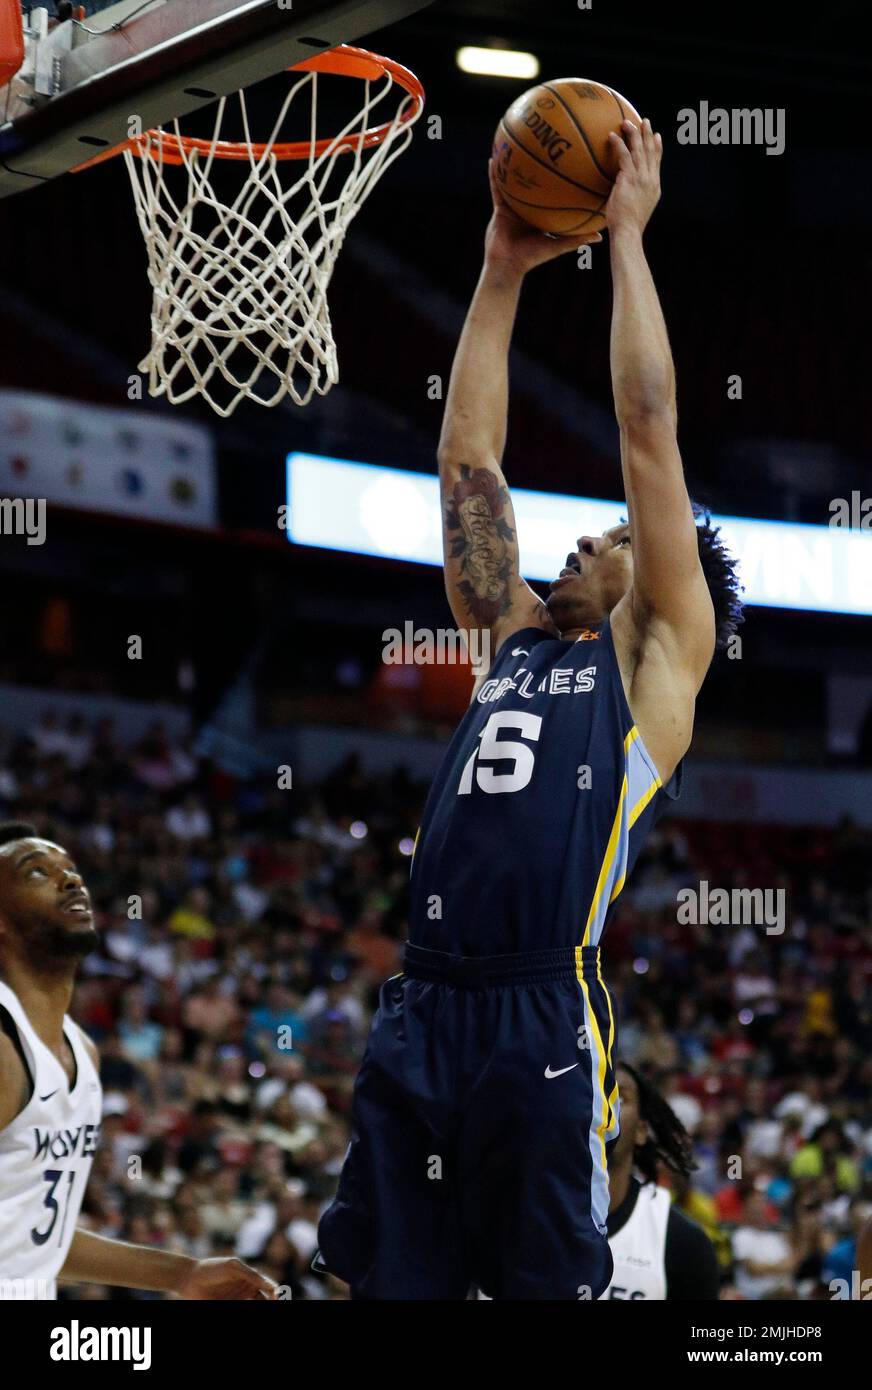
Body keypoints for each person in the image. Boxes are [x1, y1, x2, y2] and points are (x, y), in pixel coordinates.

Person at [318, 119, 742, 1300]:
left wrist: (626, 240)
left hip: (537, 1003)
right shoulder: (507, 638)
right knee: (379, 1283)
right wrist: (501, 266)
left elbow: (647, 432)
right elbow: (468, 466)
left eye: (607, 537)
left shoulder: (654, 662)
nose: (580, 538)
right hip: (424, 992)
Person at [0, 821, 275, 1300]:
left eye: (70, 868)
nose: (71, 879)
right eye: (37, 872)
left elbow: (28, 1241)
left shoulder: (81, 1049)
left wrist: (182, 1275)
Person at [601, 1063, 719, 1299]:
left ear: (641, 1131)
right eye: (593, 1093)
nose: (604, 1107)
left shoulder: (684, 1243)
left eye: (620, 1098)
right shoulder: (524, 1219)